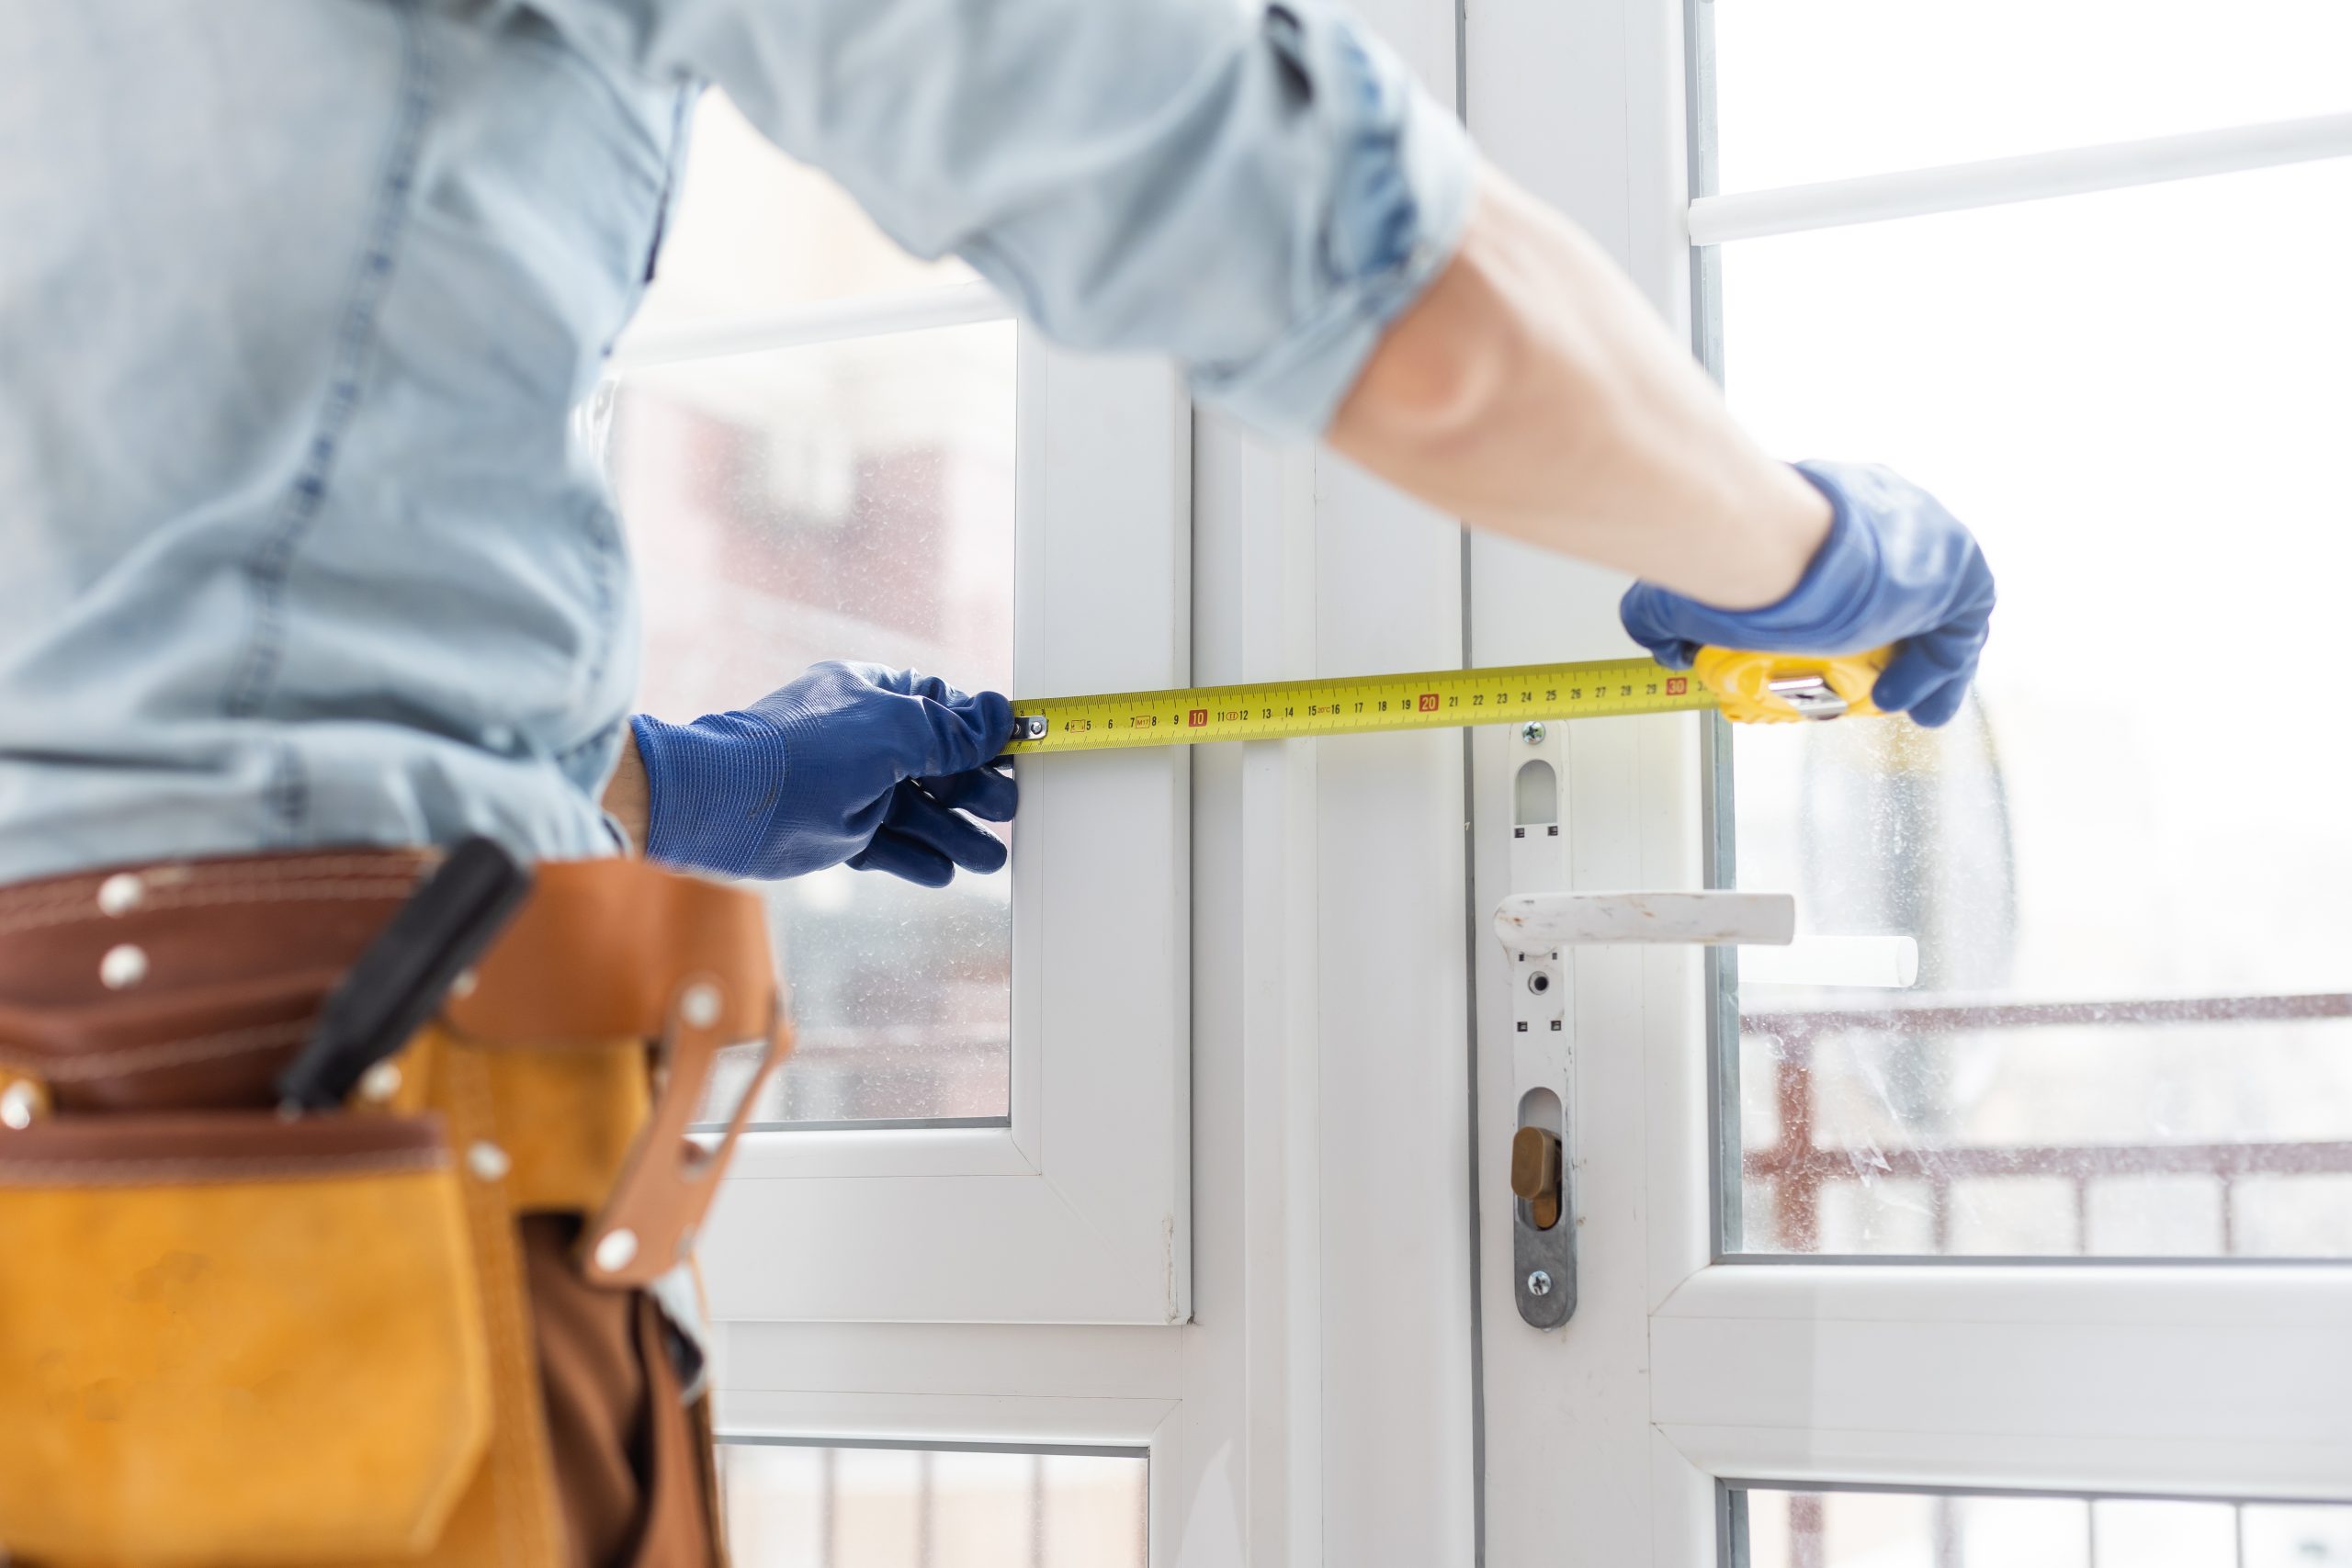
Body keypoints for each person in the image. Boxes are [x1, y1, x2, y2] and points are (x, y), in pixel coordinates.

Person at [0, 1, 1994, 1563]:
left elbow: (153, 576)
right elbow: (1273, 203)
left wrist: (632, 793)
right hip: (256, 1166)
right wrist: (1792, 539)